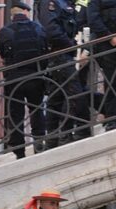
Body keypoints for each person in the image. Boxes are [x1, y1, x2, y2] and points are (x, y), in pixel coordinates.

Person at [0, 1, 49, 158]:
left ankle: (19, 150)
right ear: (25, 12)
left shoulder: (5, 31)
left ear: (12, 15)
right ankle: (39, 141)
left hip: (14, 78)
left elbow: (1, 51)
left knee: (15, 114)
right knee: (37, 109)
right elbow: (45, 50)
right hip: (35, 76)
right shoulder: (38, 28)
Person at [39, 0, 93, 148]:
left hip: (67, 54)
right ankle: (74, 132)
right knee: (74, 93)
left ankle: (54, 138)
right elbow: (52, 30)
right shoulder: (50, 3)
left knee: (57, 97)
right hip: (60, 54)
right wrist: (73, 46)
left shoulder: (66, 3)